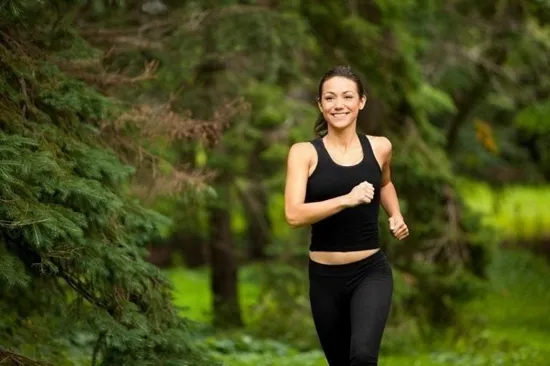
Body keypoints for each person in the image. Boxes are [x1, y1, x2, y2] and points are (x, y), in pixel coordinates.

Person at [284, 65, 409, 366]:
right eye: (330, 98)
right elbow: (293, 214)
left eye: (347, 96)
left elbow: (386, 183)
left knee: (363, 357)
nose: (338, 104)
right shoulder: (304, 153)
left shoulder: (380, 147)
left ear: (361, 102)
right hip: (324, 278)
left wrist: (395, 214)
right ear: (320, 104)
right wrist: (346, 199)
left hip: (370, 272)